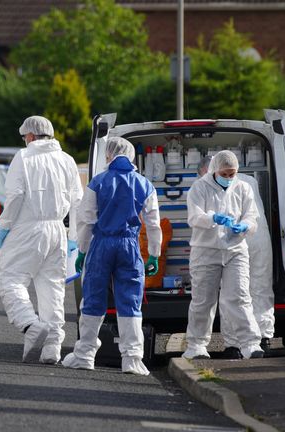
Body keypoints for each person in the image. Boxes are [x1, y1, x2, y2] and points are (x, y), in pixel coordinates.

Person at [62, 137, 161, 375]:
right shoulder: (144, 184)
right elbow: (154, 223)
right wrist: (154, 255)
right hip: (130, 246)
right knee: (130, 302)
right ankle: (132, 359)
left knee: (93, 299)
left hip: (102, 244)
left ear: (109, 155)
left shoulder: (98, 182)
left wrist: (82, 251)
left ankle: (85, 355)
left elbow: (85, 220)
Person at [0, 116, 83, 364]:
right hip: (57, 231)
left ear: (31, 136)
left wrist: (5, 226)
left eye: (25, 138)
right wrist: (74, 237)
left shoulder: (23, 158)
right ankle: (52, 347)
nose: (25, 142)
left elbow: (15, 195)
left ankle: (29, 324)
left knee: (11, 279)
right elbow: (78, 202)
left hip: (27, 228)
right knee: (52, 288)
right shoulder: (67, 160)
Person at [183, 150, 264, 360]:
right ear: (215, 170)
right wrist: (213, 218)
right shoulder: (199, 188)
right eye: (225, 174)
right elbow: (194, 217)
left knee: (239, 297)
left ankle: (250, 344)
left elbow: (252, 217)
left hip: (235, 250)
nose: (229, 178)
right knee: (203, 301)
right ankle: (196, 346)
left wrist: (244, 225)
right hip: (205, 250)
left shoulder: (243, 187)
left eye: (232, 174)